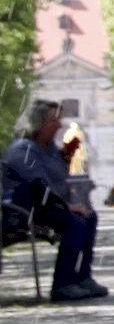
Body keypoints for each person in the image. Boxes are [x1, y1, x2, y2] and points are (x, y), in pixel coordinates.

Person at [3, 99, 107, 301]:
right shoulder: (23, 149)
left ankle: (82, 277)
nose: (59, 124)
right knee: (74, 221)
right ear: (38, 123)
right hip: (22, 214)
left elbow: (57, 179)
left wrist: (66, 156)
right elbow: (40, 187)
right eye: (53, 120)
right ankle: (63, 284)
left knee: (88, 217)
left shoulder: (48, 148)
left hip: (43, 211)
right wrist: (69, 207)